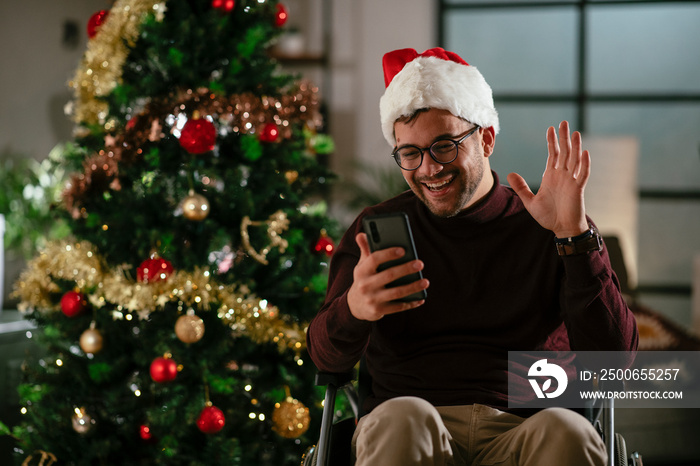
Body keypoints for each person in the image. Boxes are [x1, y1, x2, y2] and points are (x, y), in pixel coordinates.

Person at [306, 47, 638, 466]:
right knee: (403, 418)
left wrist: (574, 239)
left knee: (567, 431)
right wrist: (353, 309)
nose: (428, 169)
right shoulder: (375, 227)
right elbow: (325, 359)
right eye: (410, 152)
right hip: (410, 423)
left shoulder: (551, 226)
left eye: (444, 146)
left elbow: (614, 366)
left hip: (524, 424)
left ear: (485, 138)